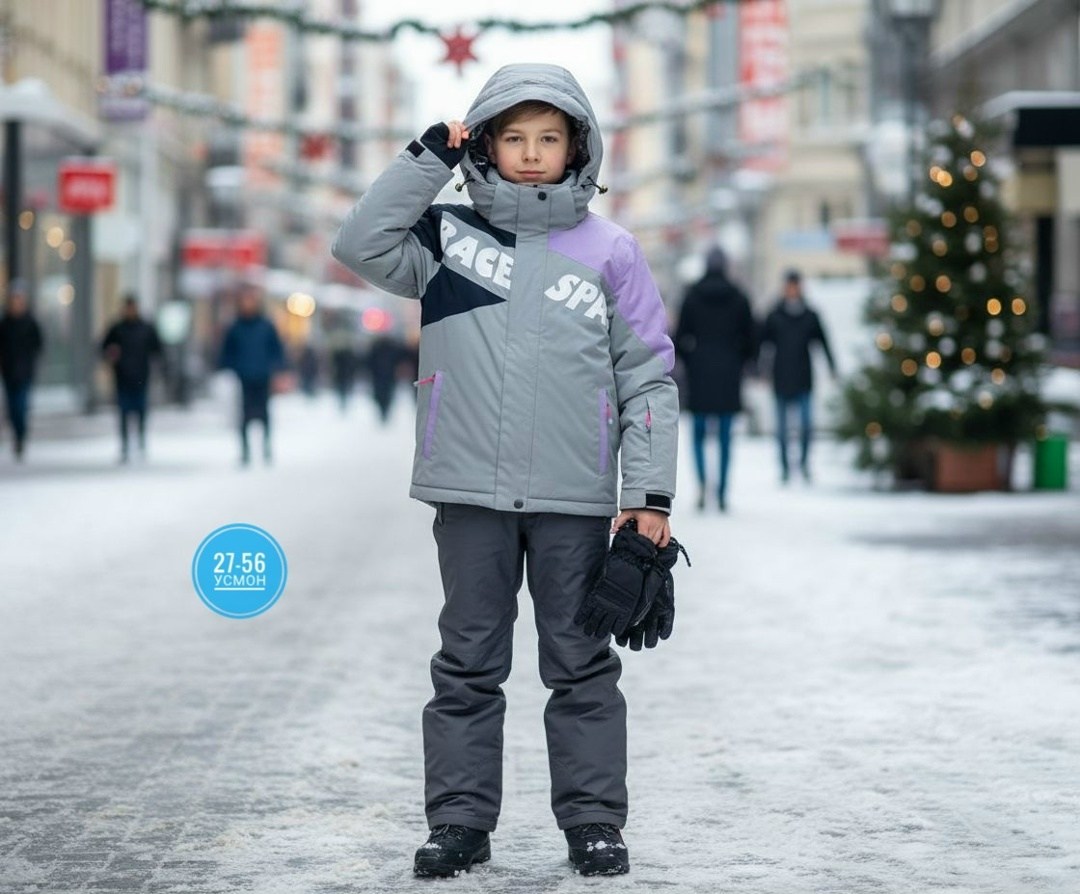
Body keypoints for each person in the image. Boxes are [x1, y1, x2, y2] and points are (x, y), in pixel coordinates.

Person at [332, 64, 679, 879]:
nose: (530, 154)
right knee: (467, 662)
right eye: (514, 137)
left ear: (577, 148)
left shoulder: (611, 252)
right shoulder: (445, 239)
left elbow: (649, 379)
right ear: (486, 142)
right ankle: (459, 823)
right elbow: (358, 244)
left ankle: (594, 823)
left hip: (574, 497)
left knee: (582, 662)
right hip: (470, 494)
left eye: (548, 139)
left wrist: (649, 498)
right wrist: (427, 158)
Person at [674, 247, 756, 512]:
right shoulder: (739, 296)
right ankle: (721, 492)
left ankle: (701, 486)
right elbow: (751, 336)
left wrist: (691, 359)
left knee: (697, 434)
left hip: (700, 372)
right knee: (724, 436)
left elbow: (679, 336)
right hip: (729, 372)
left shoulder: (692, 295)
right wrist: (739, 361)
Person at [759, 269, 837, 483]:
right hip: (781, 377)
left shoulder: (810, 315)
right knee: (782, 430)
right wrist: (761, 370)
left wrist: (832, 367)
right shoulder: (774, 315)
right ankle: (784, 467)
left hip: (804, 378)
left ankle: (803, 464)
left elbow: (823, 342)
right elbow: (763, 344)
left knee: (806, 427)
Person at [218, 285, 285, 466]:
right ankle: (245, 450)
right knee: (244, 416)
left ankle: (266, 447)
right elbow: (227, 352)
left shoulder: (266, 326)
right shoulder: (235, 327)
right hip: (244, 377)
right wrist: (229, 367)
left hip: (262, 376)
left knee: (264, 414)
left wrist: (278, 369)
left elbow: (276, 350)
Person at [101, 295, 163, 462]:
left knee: (141, 412)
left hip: (141, 377)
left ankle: (141, 440)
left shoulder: (146, 328)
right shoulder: (117, 329)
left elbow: (157, 349)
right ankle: (125, 445)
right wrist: (112, 356)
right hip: (122, 378)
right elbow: (104, 348)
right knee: (123, 412)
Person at [0, 280, 44, 461]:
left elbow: (38, 344)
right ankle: (17, 436)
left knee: (21, 406)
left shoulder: (30, 321)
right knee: (12, 407)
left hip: (25, 371)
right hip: (9, 372)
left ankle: (21, 436)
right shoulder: (4, 323)